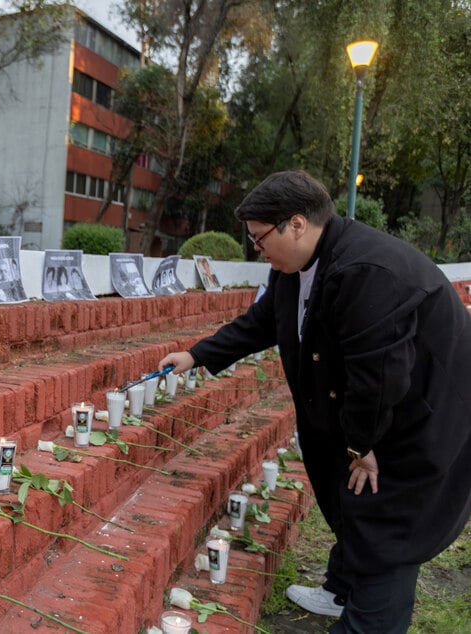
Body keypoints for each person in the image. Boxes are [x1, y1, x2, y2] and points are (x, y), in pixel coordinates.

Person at [157, 170, 471, 634]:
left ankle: (369, 623)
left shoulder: (364, 273)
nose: (257, 249)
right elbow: (264, 320)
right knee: (348, 490)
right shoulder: (297, 265)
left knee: (385, 521)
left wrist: (361, 447)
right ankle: (341, 587)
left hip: (423, 414)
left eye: (261, 238)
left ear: (297, 224)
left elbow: (379, 376)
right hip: (385, 405)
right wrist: (198, 354)